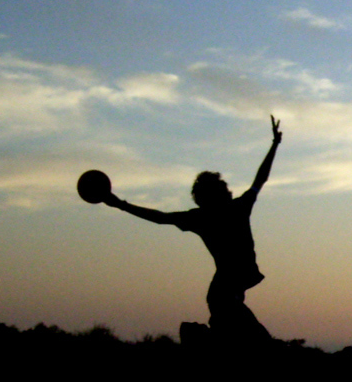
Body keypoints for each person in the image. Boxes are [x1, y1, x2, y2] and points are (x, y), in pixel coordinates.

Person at [104, 115, 283, 345]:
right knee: (253, 340)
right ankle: (195, 335)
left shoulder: (223, 211)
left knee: (241, 338)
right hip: (224, 293)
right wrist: (120, 204)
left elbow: (261, 178)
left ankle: (198, 335)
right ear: (217, 193)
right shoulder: (226, 211)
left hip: (226, 290)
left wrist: (274, 145)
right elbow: (160, 218)